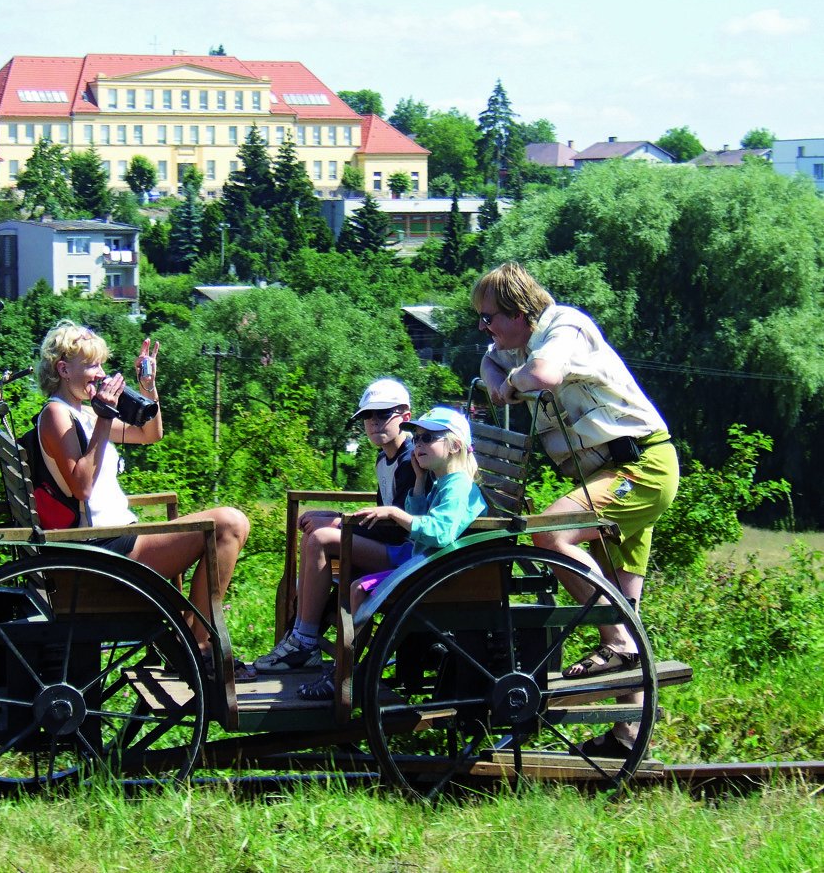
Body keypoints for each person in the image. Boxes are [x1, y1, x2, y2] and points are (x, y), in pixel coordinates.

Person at [473, 261, 679, 758]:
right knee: (625, 609)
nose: (485, 327)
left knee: (549, 534)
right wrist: (500, 377)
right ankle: (628, 739)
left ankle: (619, 644)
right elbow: (486, 366)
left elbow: (543, 375)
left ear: (521, 312)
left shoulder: (565, 328)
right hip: (604, 477)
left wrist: (513, 383)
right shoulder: (520, 343)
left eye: (490, 316)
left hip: (639, 468)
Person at [32, 320, 251, 675]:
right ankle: (199, 648)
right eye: (91, 365)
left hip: (114, 541)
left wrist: (148, 387)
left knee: (228, 523)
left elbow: (150, 434)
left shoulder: (84, 412)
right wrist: (104, 417)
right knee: (229, 524)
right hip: (102, 550)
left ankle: (194, 644)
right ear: (63, 369)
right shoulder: (57, 414)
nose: (101, 373)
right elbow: (81, 487)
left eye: (101, 364)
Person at [295, 407, 488, 701]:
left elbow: (440, 533)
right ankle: (348, 668)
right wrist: (420, 482)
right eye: (418, 437)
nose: (419, 444)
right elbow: (421, 522)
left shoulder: (458, 486)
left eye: (428, 438)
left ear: (455, 446)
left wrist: (395, 513)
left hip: (436, 570)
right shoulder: (443, 481)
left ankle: (347, 673)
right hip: (425, 562)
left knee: (359, 588)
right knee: (356, 587)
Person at [254, 379, 416, 673]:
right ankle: (301, 632)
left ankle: (304, 641)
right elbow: (382, 512)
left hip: (406, 553)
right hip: (392, 544)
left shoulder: (411, 461)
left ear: (406, 416)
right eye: (368, 416)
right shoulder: (385, 458)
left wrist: (341, 521)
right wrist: (336, 515)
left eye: (383, 414)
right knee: (313, 528)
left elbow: (398, 526)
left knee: (322, 538)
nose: (374, 422)